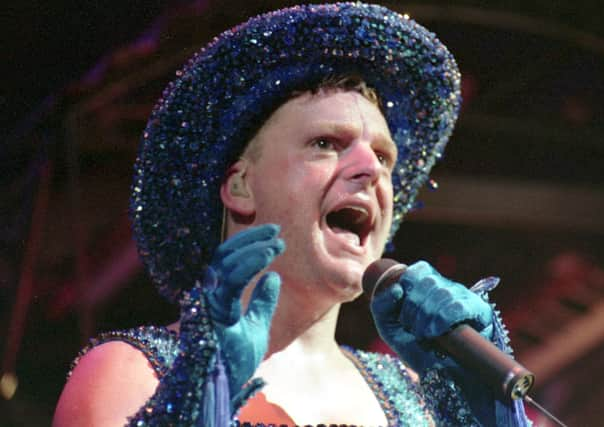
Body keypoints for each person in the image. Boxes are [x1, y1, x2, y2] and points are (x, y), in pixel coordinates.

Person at [53, 3, 529, 426]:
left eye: (384, 157)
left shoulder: (415, 400)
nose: (371, 170)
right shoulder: (132, 372)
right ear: (240, 186)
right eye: (326, 144)